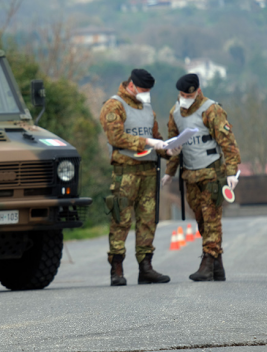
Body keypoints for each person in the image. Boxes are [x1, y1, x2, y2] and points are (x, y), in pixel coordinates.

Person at [100, 68, 181, 286]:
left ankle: (146, 267)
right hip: (126, 171)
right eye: (143, 90)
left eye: (149, 91)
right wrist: (146, 142)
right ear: (132, 85)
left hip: (148, 171)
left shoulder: (148, 109)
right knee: (121, 219)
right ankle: (116, 268)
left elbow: (156, 138)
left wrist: (167, 149)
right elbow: (116, 136)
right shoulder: (114, 105)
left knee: (147, 220)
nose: (146, 94)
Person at [161, 73, 241, 282]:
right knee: (201, 220)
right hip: (190, 175)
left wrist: (232, 172)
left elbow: (228, 143)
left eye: (187, 94)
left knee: (211, 218)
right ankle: (217, 266)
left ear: (196, 91)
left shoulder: (212, 110)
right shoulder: (175, 113)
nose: (183, 98)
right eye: (180, 94)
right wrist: (170, 171)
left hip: (212, 173)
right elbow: (173, 144)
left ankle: (207, 264)